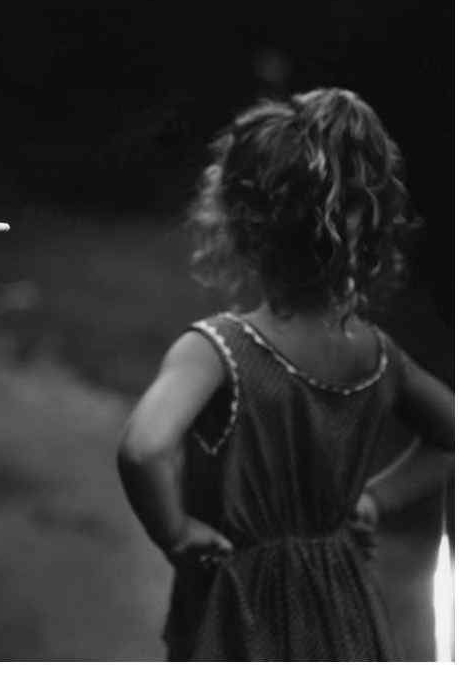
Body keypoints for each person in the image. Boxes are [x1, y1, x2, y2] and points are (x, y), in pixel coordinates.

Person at [117, 88, 453, 660]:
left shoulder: (217, 349)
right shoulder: (379, 354)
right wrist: (375, 499)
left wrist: (175, 534)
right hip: (343, 603)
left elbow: (143, 449)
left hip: (240, 609)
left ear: (243, 226)